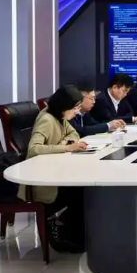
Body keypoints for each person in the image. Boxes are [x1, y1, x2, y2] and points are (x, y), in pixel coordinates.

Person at [18, 85, 87, 252]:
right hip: (41, 179)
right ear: (64, 105)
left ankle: (75, 235)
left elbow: (74, 134)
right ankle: (66, 236)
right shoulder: (47, 119)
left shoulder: (60, 117)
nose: (77, 112)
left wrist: (63, 144)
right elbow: (34, 149)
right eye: (75, 108)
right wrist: (67, 147)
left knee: (82, 188)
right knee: (80, 191)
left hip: (54, 172)